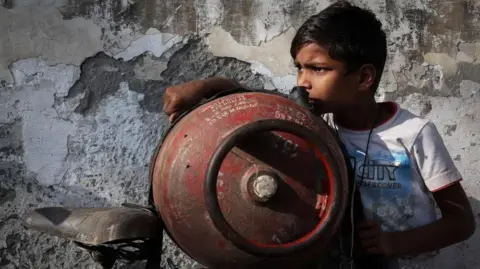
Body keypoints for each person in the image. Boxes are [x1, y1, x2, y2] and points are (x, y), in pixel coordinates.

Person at [162, 1, 476, 268]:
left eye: (318, 69)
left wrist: (394, 243)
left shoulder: (413, 134)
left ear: (364, 77)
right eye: (299, 68)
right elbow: (256, 103)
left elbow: (461, 222)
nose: (303, 81)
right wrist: (207, 86)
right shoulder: (307, 126)